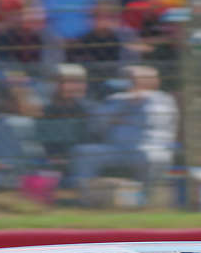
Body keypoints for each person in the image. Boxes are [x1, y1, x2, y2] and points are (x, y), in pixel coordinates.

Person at [71, 62, 179, 204]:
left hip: (150, 149)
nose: (129, 81)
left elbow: (153, 122)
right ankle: (85, 198)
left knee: (147, 156)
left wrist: (122, 116)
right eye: (127, 77)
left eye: (134, 78)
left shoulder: (162, 99)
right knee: (84, 152)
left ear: (152, 81)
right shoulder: (116, 99)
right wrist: (126, 109)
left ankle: (146, 200)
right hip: (116, 148)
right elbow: (96, 125)